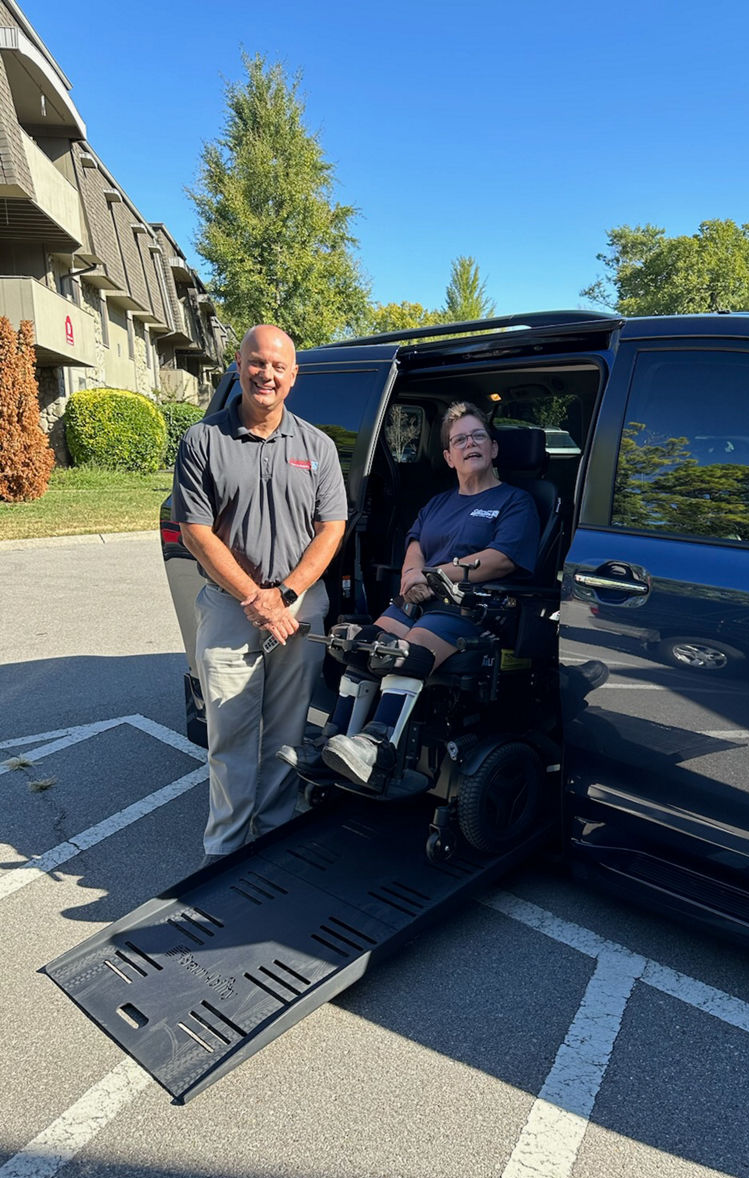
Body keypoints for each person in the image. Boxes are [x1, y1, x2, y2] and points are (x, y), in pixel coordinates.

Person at [172, 324, 347, 865]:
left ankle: (271, 837)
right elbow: (196, 532)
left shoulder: (317, 446)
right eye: (256, 362)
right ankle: (224, 853)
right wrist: (255, 596)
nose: (266, 374)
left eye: (278, 366)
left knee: (287, 732)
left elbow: (332, 526)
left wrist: (287, 593)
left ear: (294, 377)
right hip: (230, 606)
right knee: (229, 737)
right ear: (240, 366)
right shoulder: (204, 440)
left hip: (298, 606)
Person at [315, 401, 539, 790]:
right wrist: (410, 575)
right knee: (368, 645)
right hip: (419, 599)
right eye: (460, 440)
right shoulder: (438, 502)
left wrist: (433, 575)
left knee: (407, 652)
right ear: (450, 457)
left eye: (479, 436)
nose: (471, 444)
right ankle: (330, 745)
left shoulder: (515, 501)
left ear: (494, 448)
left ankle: (377, 747)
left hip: (471, 607)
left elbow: (501, 559)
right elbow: (415, 542)